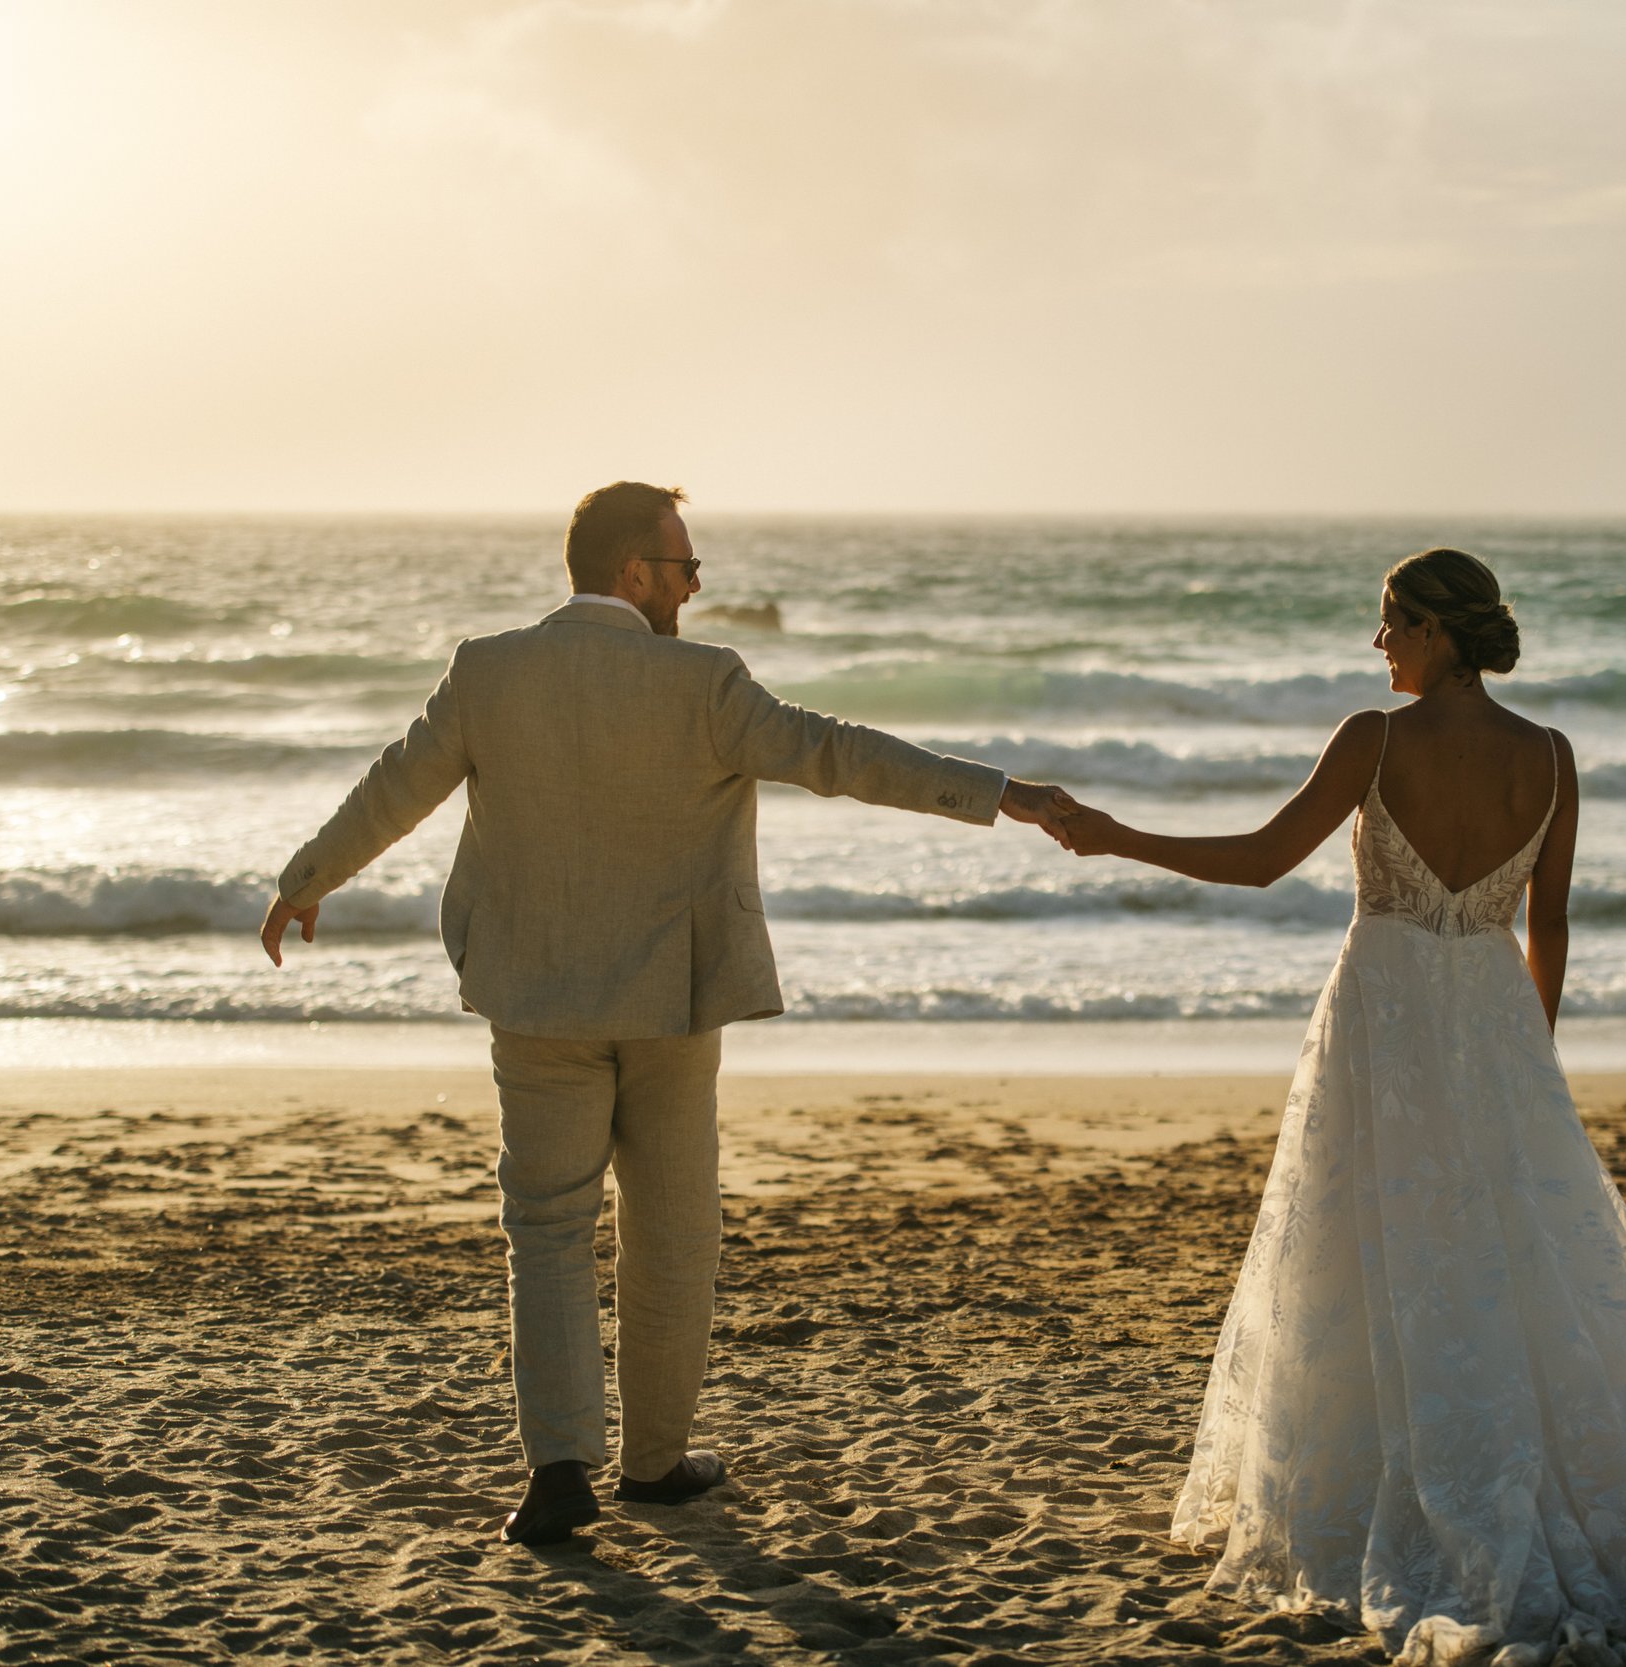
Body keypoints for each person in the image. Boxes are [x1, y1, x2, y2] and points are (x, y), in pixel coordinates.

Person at [259, 482, 1074, 1545]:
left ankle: (558, 1468)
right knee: (672, 1231)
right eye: (686, 568)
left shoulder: (488, 670)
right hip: (671, 1001)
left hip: (535, 996)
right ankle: (651, 1463)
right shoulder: (705, 682)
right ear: (636, 573)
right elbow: (838, 753)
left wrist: (309, 875)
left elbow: (396, 785)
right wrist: (998, 791)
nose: (694, 588)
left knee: (545, 1228)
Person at [1049, 549, 1626, 1665]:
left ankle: (1370, 1500)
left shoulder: (1377, 737)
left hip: (1387, 1021)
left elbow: (1264, 860)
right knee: (1508, 1256)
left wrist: (1116, 833)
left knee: (1368, 1245)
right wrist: (1525, 1059)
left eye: (1393, 621)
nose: (1379, 644)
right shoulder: (1549, 756)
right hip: (1495, 1025)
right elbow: (1550, 925)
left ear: (1440, 633)